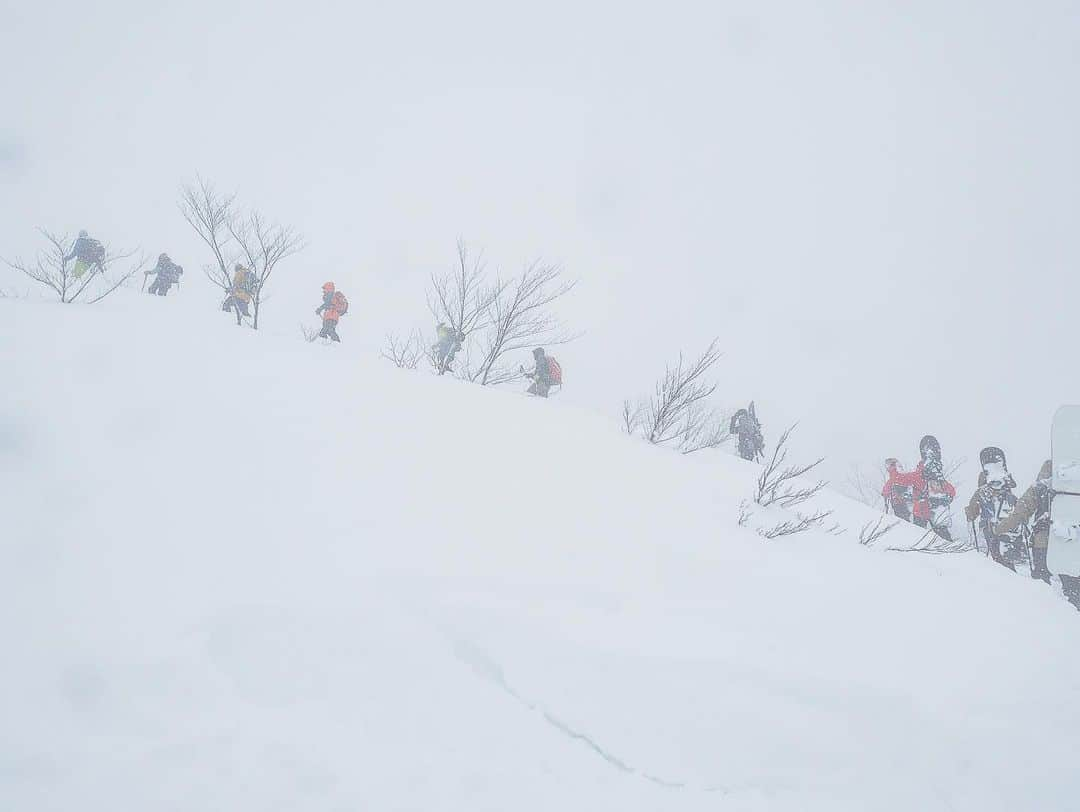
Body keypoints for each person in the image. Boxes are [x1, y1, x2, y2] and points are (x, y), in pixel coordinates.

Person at [993, 461, 1080, 611]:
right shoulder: (1074, 489)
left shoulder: (1039, 488)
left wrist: (997, 530)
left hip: (1044, 546)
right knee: (1073, 589)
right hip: (1072, 546)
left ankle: (1047, 616)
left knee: (1044, 589)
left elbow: (1019, 513)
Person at [964, 447, 1022, 568]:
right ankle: (1010, 576)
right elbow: (1018, 508)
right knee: (1003, 559)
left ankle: (1004, 576)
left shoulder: (982, 492)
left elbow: (972, 512)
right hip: (1006, 526)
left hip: (990, 528)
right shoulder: (1007, 491)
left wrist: (969, 512)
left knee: (996, 559)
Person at [896, 436, 956, 540]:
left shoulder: (918, 475)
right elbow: (952, 491)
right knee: (944, 537)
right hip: (937, 510)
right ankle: (953, 552)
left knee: (918, 538)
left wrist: (893, 468)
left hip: (920, 511)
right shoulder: (938, 476)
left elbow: (900, 479)